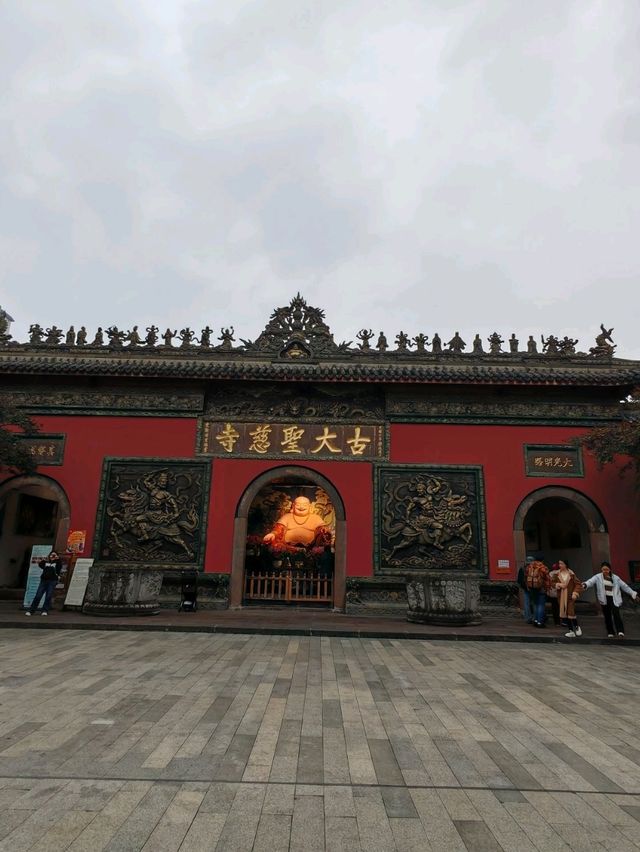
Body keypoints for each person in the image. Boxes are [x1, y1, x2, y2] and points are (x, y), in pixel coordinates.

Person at [580, 561, 638, 638]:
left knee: (616, 614)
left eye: (607, 569)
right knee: (607, 616)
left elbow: (624, 586)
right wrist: (585, 584)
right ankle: (610, 632)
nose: (605, 571)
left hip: (614, 598)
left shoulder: (615, 578)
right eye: (603, 569)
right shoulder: (598, 577)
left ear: (609, 569)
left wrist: (633, 593)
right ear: (601, 569)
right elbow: (590, 581)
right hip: (604, 599)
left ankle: (620, 631)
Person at [263, 495, 330, 548]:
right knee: (275, 545)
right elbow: (279, 529)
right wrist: (273, 534)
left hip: (311, 548)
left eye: (304, 505)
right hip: (287, 547)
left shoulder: (315, 518)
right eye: (298, 505)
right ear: (293, 506)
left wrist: (324, 530)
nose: (301, 507)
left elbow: (322, 528)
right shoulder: (287, 516)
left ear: (309, 507)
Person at [25, 551, 63, 616]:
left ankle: (45, 610)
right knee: (38, 595)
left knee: (48, 596)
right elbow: (40, 564)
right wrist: (47, 559)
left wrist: (57, 559)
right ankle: (31, 610)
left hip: (52, 581)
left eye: (54, 555)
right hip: (44, 580)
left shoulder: (57, 562)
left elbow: (59, 567)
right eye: (51, 555)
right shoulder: (46, 562)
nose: (53, 556)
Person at [553, 559, 582, 637]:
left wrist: (575, 593)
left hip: (570, 597)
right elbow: (552, 583)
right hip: (561, 597)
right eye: (559, 564)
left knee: (570, 612)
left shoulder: (571, 574)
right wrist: (558, 584)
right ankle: (571, 631)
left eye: (561, 564)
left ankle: (577, 627)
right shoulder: (556, 574)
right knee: (565, 613)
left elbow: (578, 584)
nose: (560, 565)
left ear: (566, 565)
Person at [525, 559, 550, 627]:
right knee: (541, 605)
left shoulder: (530, 567)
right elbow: (547, 579)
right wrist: (548, 589)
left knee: (535, 604)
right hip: (541, 589)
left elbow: (526, 577)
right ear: (542, 560)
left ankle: (535, 620)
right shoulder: (543, 568)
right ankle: (540, 622)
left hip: (533, 589)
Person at [517, 557, 534, 624]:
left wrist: (523, 586)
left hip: (526, 588)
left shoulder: (522, 568)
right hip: (534, 588)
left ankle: (528, 618)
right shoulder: (535, 568)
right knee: (534, 603)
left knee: (526, 603)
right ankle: (535, 617)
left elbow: (519, 580)